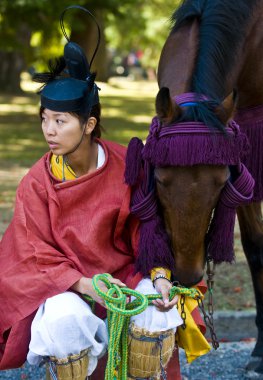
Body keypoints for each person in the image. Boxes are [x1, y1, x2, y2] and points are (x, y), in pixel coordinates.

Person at [0, 7, 183, 380]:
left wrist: (161, 277)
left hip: (125, 279)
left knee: (158, 308)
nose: (48, 131)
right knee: (65, 319)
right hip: (67, 286)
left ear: (89, 124)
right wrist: (85, 284)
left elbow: (148, 229)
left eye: (60, 121)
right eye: (44, 119)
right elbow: (32, 253)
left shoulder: (127, 164)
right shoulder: (37, 182)